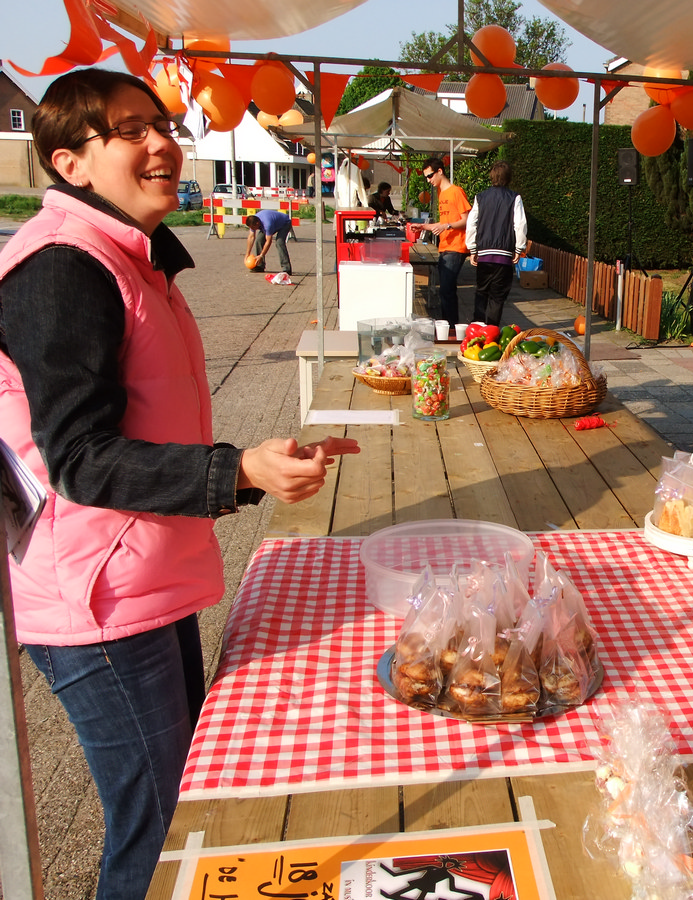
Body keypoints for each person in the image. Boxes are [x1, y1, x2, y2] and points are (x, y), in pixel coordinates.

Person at [0, 68, 359, 900]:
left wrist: (252, 469)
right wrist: (235, 470)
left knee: (179, 805)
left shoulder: (132, 258)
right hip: (94, 600)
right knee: (158, 834)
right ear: (69, 163)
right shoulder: (63, 267)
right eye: (129, 130)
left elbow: (151, 431)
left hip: (137, 578)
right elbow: (81, 458)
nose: (161, 142)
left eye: (162, 125)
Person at [466, 161, 527, 326]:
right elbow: (520, 224)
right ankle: (491, 332)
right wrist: (519, 248)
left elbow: (471, 224)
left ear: (491, 177)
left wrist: (472, 249)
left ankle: (477, 330)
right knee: (497, 297)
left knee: (481, 292)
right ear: (509, 178)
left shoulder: (480, 197)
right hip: (504, 256)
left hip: (484, 254)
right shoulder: (514, 198)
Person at [420, 156, 472, 324]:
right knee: (445, 290)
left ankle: (451, 328)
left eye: (430, 176)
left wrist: (447, 226)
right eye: (426, 177)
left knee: (447, 290)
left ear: (440, 171)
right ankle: (448, 326)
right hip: (445, 246)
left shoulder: (456, 191)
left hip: (456, 247)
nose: (428, 180)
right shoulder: (440, 192)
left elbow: (467, 220)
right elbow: (443, 224)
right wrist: (423, 227)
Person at [244, 209, 292, 275]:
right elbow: (251, 237)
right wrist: (247, 254)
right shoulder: (253, 221)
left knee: (279, 242)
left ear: (257, 224)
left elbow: (268, 241)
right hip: (272, 223)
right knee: (259, 240)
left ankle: (286, 268)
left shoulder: (267, 224)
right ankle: (260, 265)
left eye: (253, 227)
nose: (252, 229)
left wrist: (261, 255)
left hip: (285, 223)